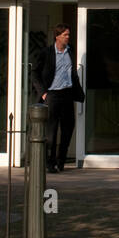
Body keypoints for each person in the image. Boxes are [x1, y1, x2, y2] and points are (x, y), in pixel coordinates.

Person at [30, 24, 84, 173]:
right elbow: (34, 73)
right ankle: (50, 163)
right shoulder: (46, 53)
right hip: (52, 95)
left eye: (68, 35)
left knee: (68, 129)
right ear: (57, 36)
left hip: (67, 94)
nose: (68, 37)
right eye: (65, 35)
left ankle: (61, 161)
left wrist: (77, 90)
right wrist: (43, 93)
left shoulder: (70, 51)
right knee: (51, 132)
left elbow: (72, 73)